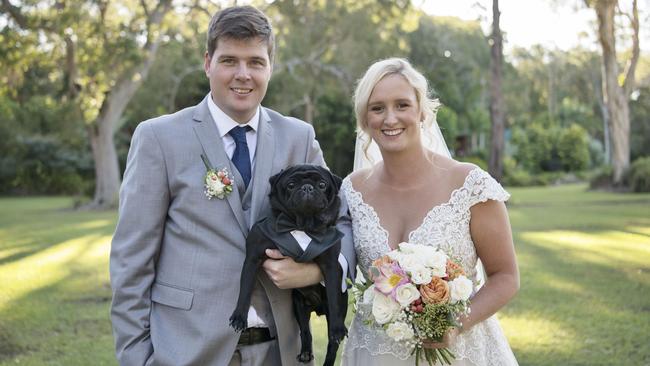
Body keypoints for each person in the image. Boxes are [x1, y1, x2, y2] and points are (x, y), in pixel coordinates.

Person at [109, 5, 354, 366]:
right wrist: (135, 358)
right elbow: (132, 260)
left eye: (255, 61)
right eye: (229, 61)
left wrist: (316, 271)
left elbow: (343, 221)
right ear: (208, 63)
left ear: (269, 66)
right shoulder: (158, 138)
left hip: (280, 351)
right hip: (187, 350)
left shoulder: (297, 137)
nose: (243, 75)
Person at [340, 58, 519, 365]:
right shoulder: (352, 190)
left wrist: (453, 325)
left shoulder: (470, 184)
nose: (390, 118)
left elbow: (505, 277)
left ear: (422, 112)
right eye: (377, 108)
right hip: (374, 353)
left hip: (460, 352)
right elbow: (337, 265)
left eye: (402, 105)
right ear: (365, 118)